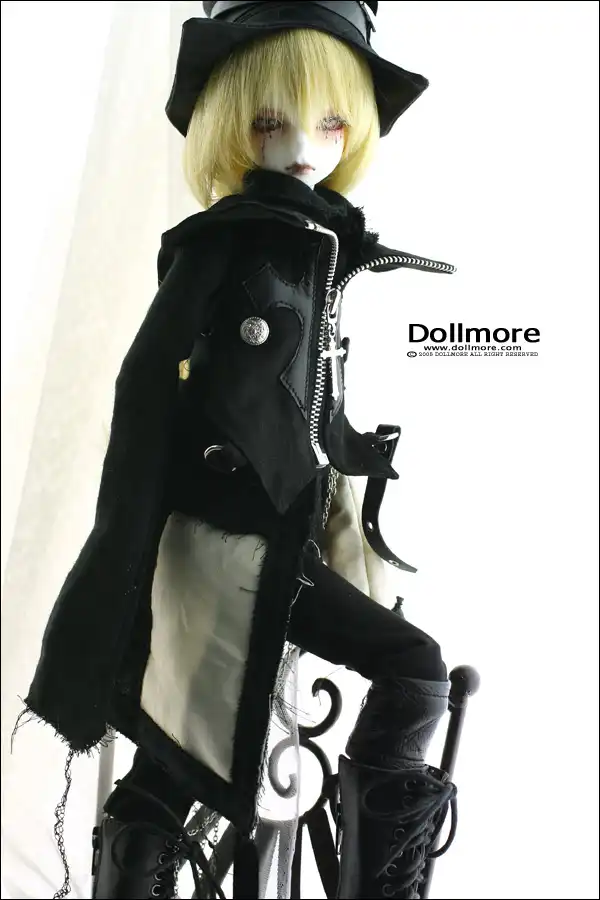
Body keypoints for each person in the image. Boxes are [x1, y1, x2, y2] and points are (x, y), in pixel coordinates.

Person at [22, 3, 459, 898]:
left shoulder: (313, 243)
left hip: (282, 537)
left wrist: (351, 452)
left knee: (186, 751)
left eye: (331, 123)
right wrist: (121, 557)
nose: (302, 146)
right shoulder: (227, 244)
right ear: (230, 123)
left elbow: (298, 401)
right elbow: (146, 393)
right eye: (270, 122)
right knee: (399, 672)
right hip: (228, 543)